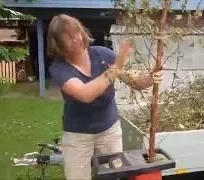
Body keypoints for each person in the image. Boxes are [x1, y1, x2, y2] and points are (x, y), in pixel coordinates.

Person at [46, 14, 163, 180]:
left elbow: (135, 82)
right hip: (78, 134)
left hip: (109, 129)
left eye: (77, 33)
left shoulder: (102, 54)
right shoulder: (60, 69)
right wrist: (116, 68)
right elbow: (86, 94)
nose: (77, 39)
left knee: (114, 175)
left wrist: (151, 77)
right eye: (69, 37)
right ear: (58, 44)